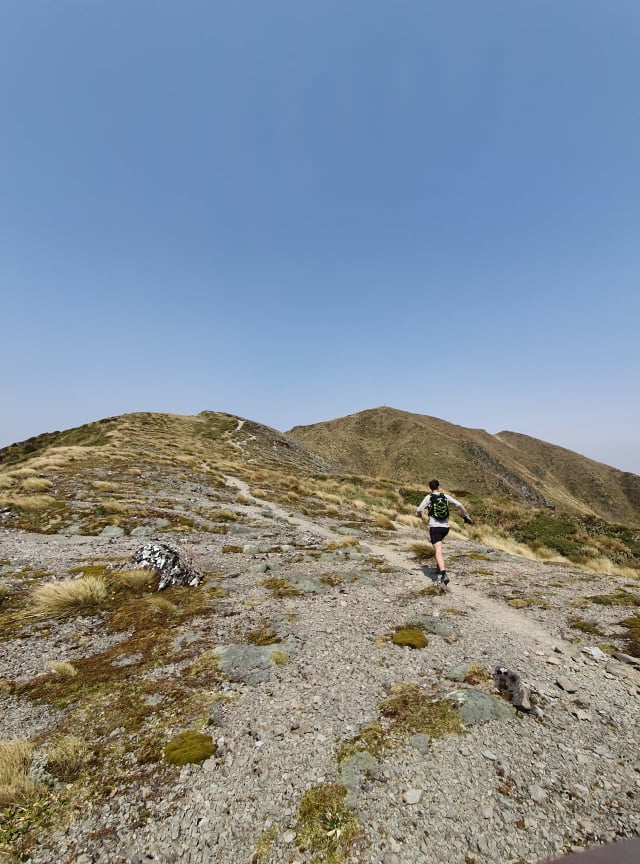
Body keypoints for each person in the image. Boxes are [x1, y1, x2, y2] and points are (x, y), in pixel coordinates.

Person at [416, 479, 472, 586]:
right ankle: (438, 568)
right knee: (439, 546)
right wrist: (466, 516)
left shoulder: (428, 498)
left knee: (438, 550)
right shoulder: (445, 496)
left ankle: (443, 573)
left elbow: (419, 510)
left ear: (430, 488)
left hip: (435, 527)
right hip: (446, 528)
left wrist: (419, 515)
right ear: (438, 486)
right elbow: (459, 505)